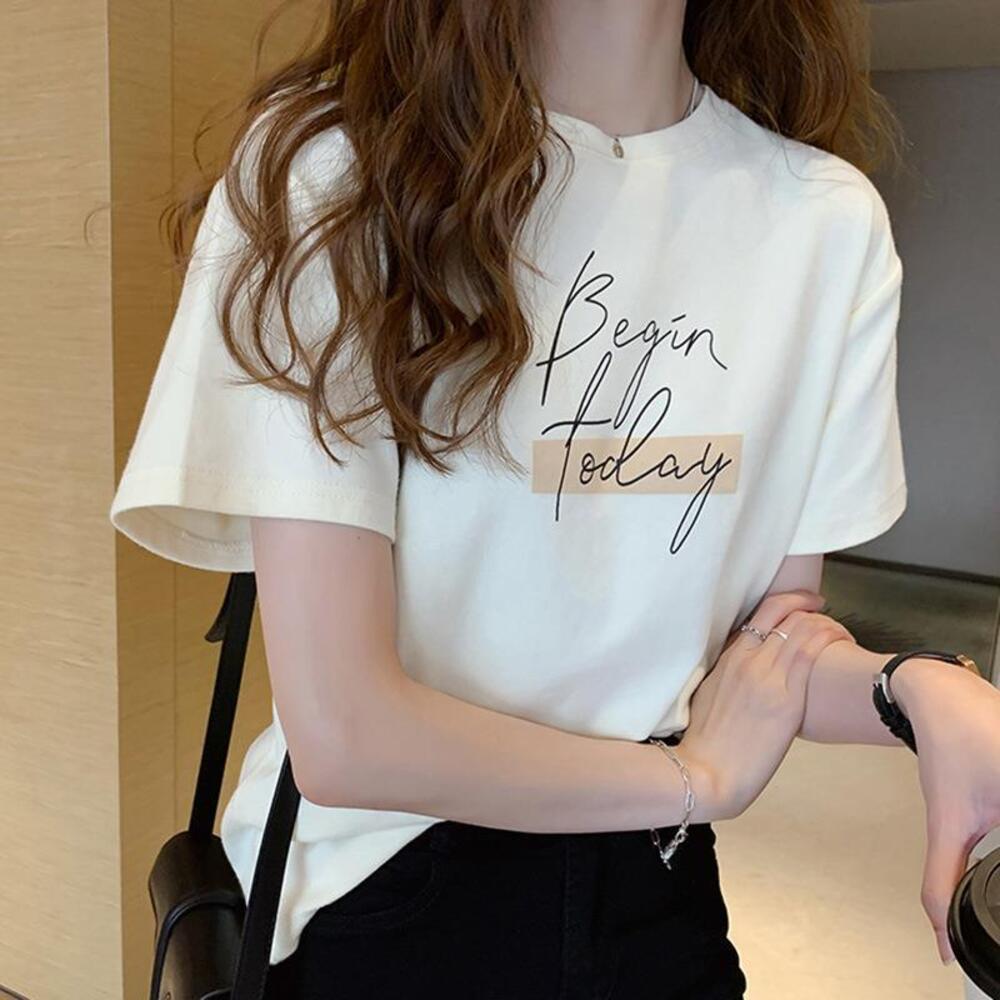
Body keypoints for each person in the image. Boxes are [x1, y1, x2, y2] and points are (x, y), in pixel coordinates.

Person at [109, 1, 1000, 997]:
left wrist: (921, 687)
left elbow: (771, 653)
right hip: (384, 884)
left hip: (654, 879)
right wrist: (695, 779)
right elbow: (344, 735)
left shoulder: (825, 223)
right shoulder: (337, 175)